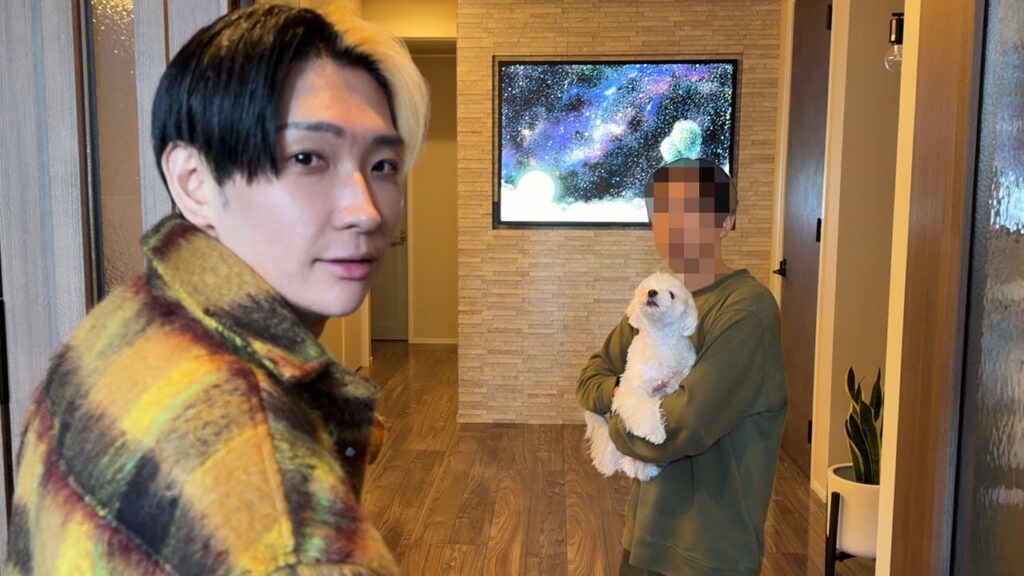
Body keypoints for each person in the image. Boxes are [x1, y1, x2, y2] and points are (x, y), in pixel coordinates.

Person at [6, 4, 428, 575]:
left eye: (382, 165)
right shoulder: (291, 537)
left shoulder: (123, 325)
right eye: (307, 158)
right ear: (194, 182)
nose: (365, 210)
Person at [576, 158, 788, 576]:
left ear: (725, 221)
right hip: (645, 532)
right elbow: (589, 380)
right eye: (663, 212)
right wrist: (627, 397)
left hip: (710, 549)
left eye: (690, 210)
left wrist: (620, 415)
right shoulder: (653, 301)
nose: (673, 225)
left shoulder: (747, 309)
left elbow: (680, 425)